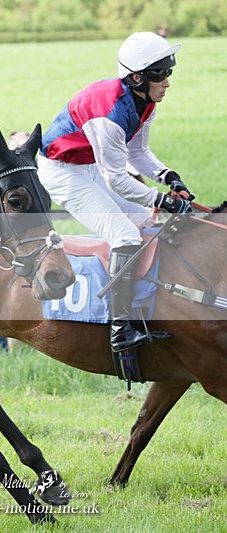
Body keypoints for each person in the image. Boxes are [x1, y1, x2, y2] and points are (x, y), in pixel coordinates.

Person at [37, 31, 195, 354]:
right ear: (137, 77)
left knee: (144, 224)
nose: (167, 82)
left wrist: (170, 177)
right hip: (62, 173)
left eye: (169, 72)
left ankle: (148, 307)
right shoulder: (110, 114)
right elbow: (116, 180)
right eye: (160, 74)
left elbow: (138, 153)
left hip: (87, 164)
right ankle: (120, 329)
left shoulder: (144, 100)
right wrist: (161, 200)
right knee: (125, 236)